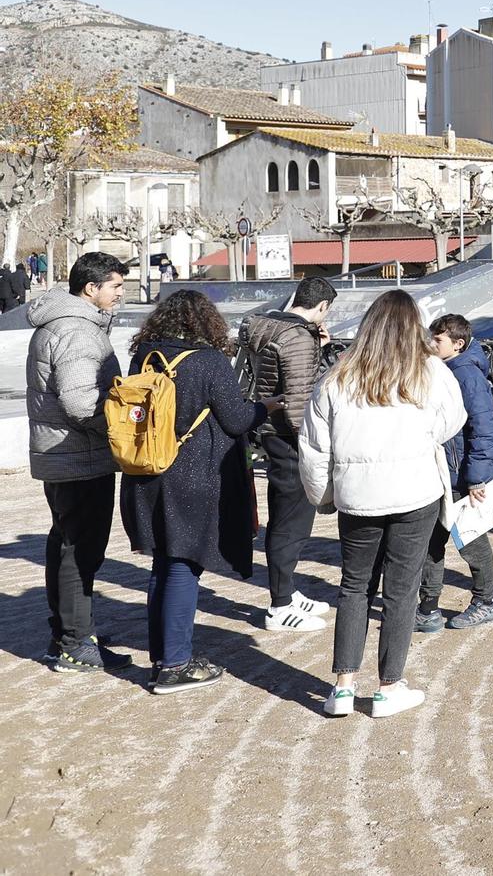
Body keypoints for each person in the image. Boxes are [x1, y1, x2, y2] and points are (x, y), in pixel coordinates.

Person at [299, 289, 466, 718]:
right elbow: (453, 418)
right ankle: (389, 686)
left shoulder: (339, 375)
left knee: (354, 587)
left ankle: (342, 686)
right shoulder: (428, 370)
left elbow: (315, 448)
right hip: (414, 491)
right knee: (401, 591)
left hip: (358, 496)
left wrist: (325, 497)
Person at [121, 291, 276, 693]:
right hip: (191, 476)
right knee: (183, 566)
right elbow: (238, 419)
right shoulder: (208, 360)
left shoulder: (146, 357)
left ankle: (162, 658)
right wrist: (267, 407)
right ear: (206, 321)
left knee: (163, 564)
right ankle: (175, 665)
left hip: (146, 470)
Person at [27, 251, 132, 673]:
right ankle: (73, 643)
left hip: (61, 455)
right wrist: (117, 430)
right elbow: (78, 403)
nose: (121, 294)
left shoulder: (61, 324)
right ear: (91, 288)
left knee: (66, 544)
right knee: (81, 551)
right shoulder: (78, 331)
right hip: (79, 457)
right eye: (116, 287)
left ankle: (70, 632)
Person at [241, 276, 339, 633]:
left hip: (269, 430)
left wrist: (320, 346)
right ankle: (280, 605)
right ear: (323, 307)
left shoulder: (267, 325)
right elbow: (299, 398)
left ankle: (288, 591)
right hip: (289, 437)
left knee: (287, 518)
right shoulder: (297, 338)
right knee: (291, 523)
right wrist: (312, 442)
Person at [416, 314, 493, 631]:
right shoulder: (442, 371)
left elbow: (484, 429)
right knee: (430, 542)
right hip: (441, 473)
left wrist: (477, 477)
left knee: (471, 543)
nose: (431, 343)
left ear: (458, 343)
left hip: (461, 477)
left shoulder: (466, 375)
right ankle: (427, 609)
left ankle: (485, 602)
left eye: (437, 340)